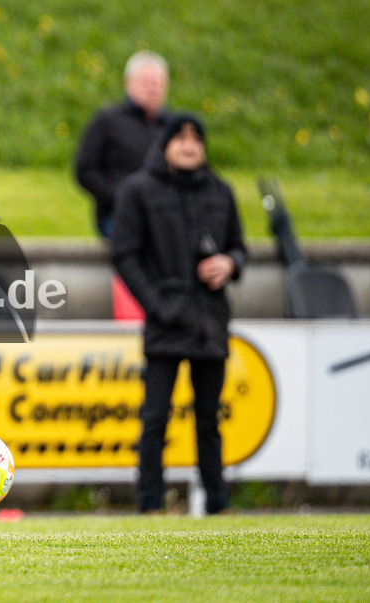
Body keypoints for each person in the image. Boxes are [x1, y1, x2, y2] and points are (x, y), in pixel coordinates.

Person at [111, 113, 247, 516]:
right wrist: (156, 302)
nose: (189, 145)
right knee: (155, 418)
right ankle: (150, 503)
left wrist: (230, 264)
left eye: (196, 139)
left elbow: (240, 247)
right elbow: (124, 254)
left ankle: (217, 504)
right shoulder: (138, 190)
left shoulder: (221, 192)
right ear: (165, 144)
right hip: (166, 322)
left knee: (209, 420)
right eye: (181, 138)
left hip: (210, 321)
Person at [75, 50, 170, 238]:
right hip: (119, 216)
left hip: (167, 215)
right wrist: (120, 196)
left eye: (158, 83)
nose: (153, 88)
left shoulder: (174, 127)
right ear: (128, 84)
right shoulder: (107, 121)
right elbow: (85, 170)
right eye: (146, 82)